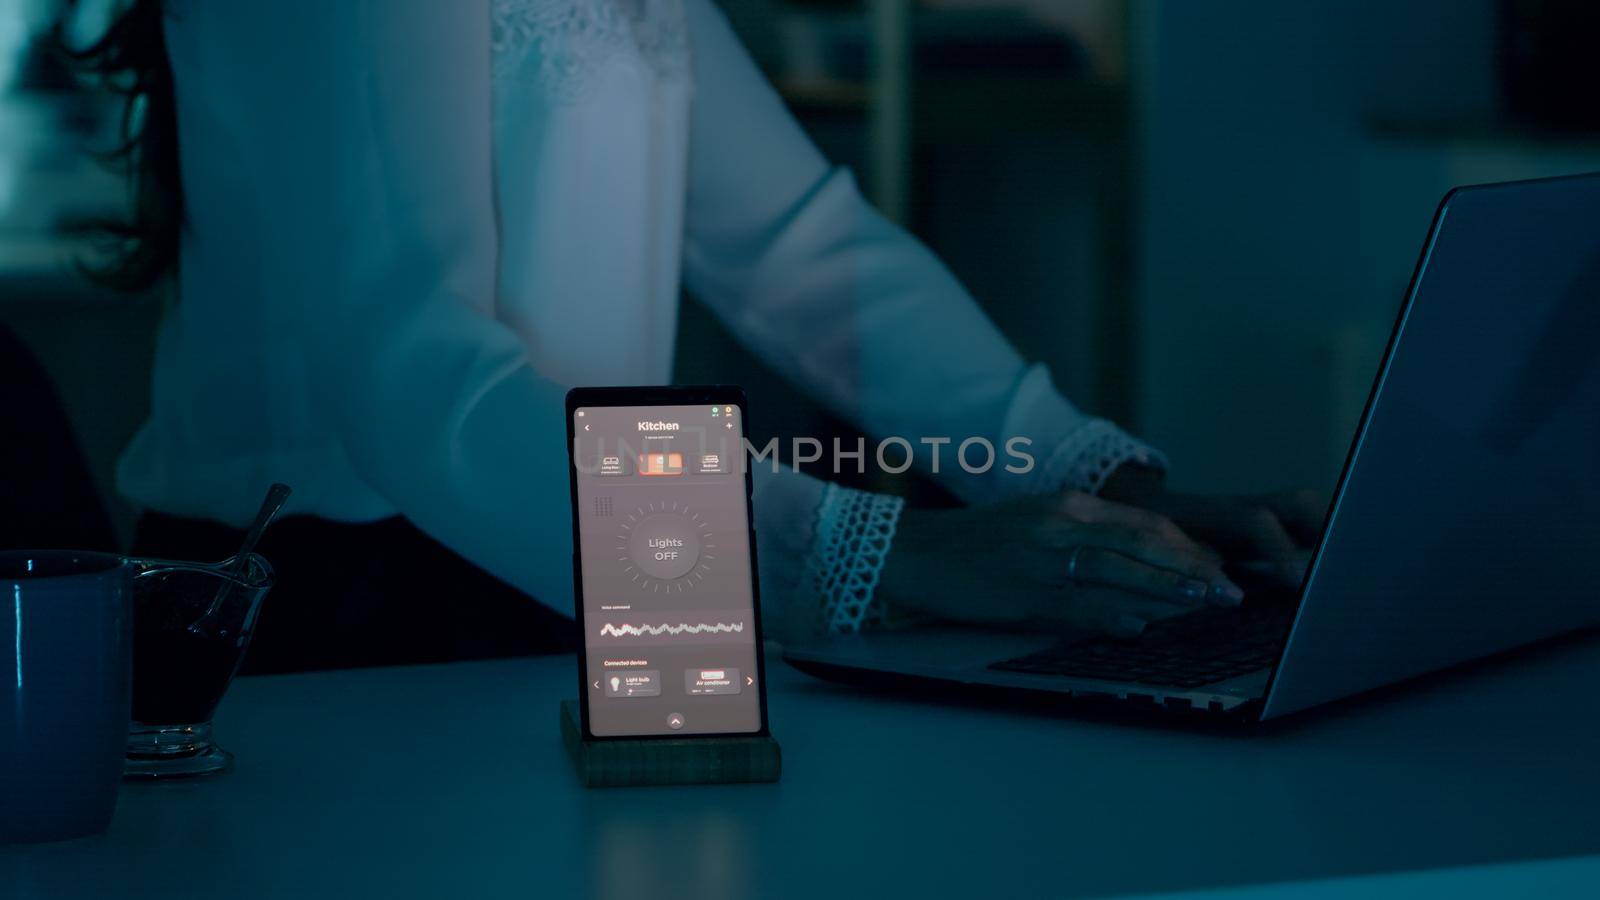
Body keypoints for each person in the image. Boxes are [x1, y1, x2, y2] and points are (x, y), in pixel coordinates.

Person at [70, 0, 1320, 672]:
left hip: (595, 579)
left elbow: (800, 246)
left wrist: (1101, 486)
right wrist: (876, 550)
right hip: (338, 614)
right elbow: (420, 383)